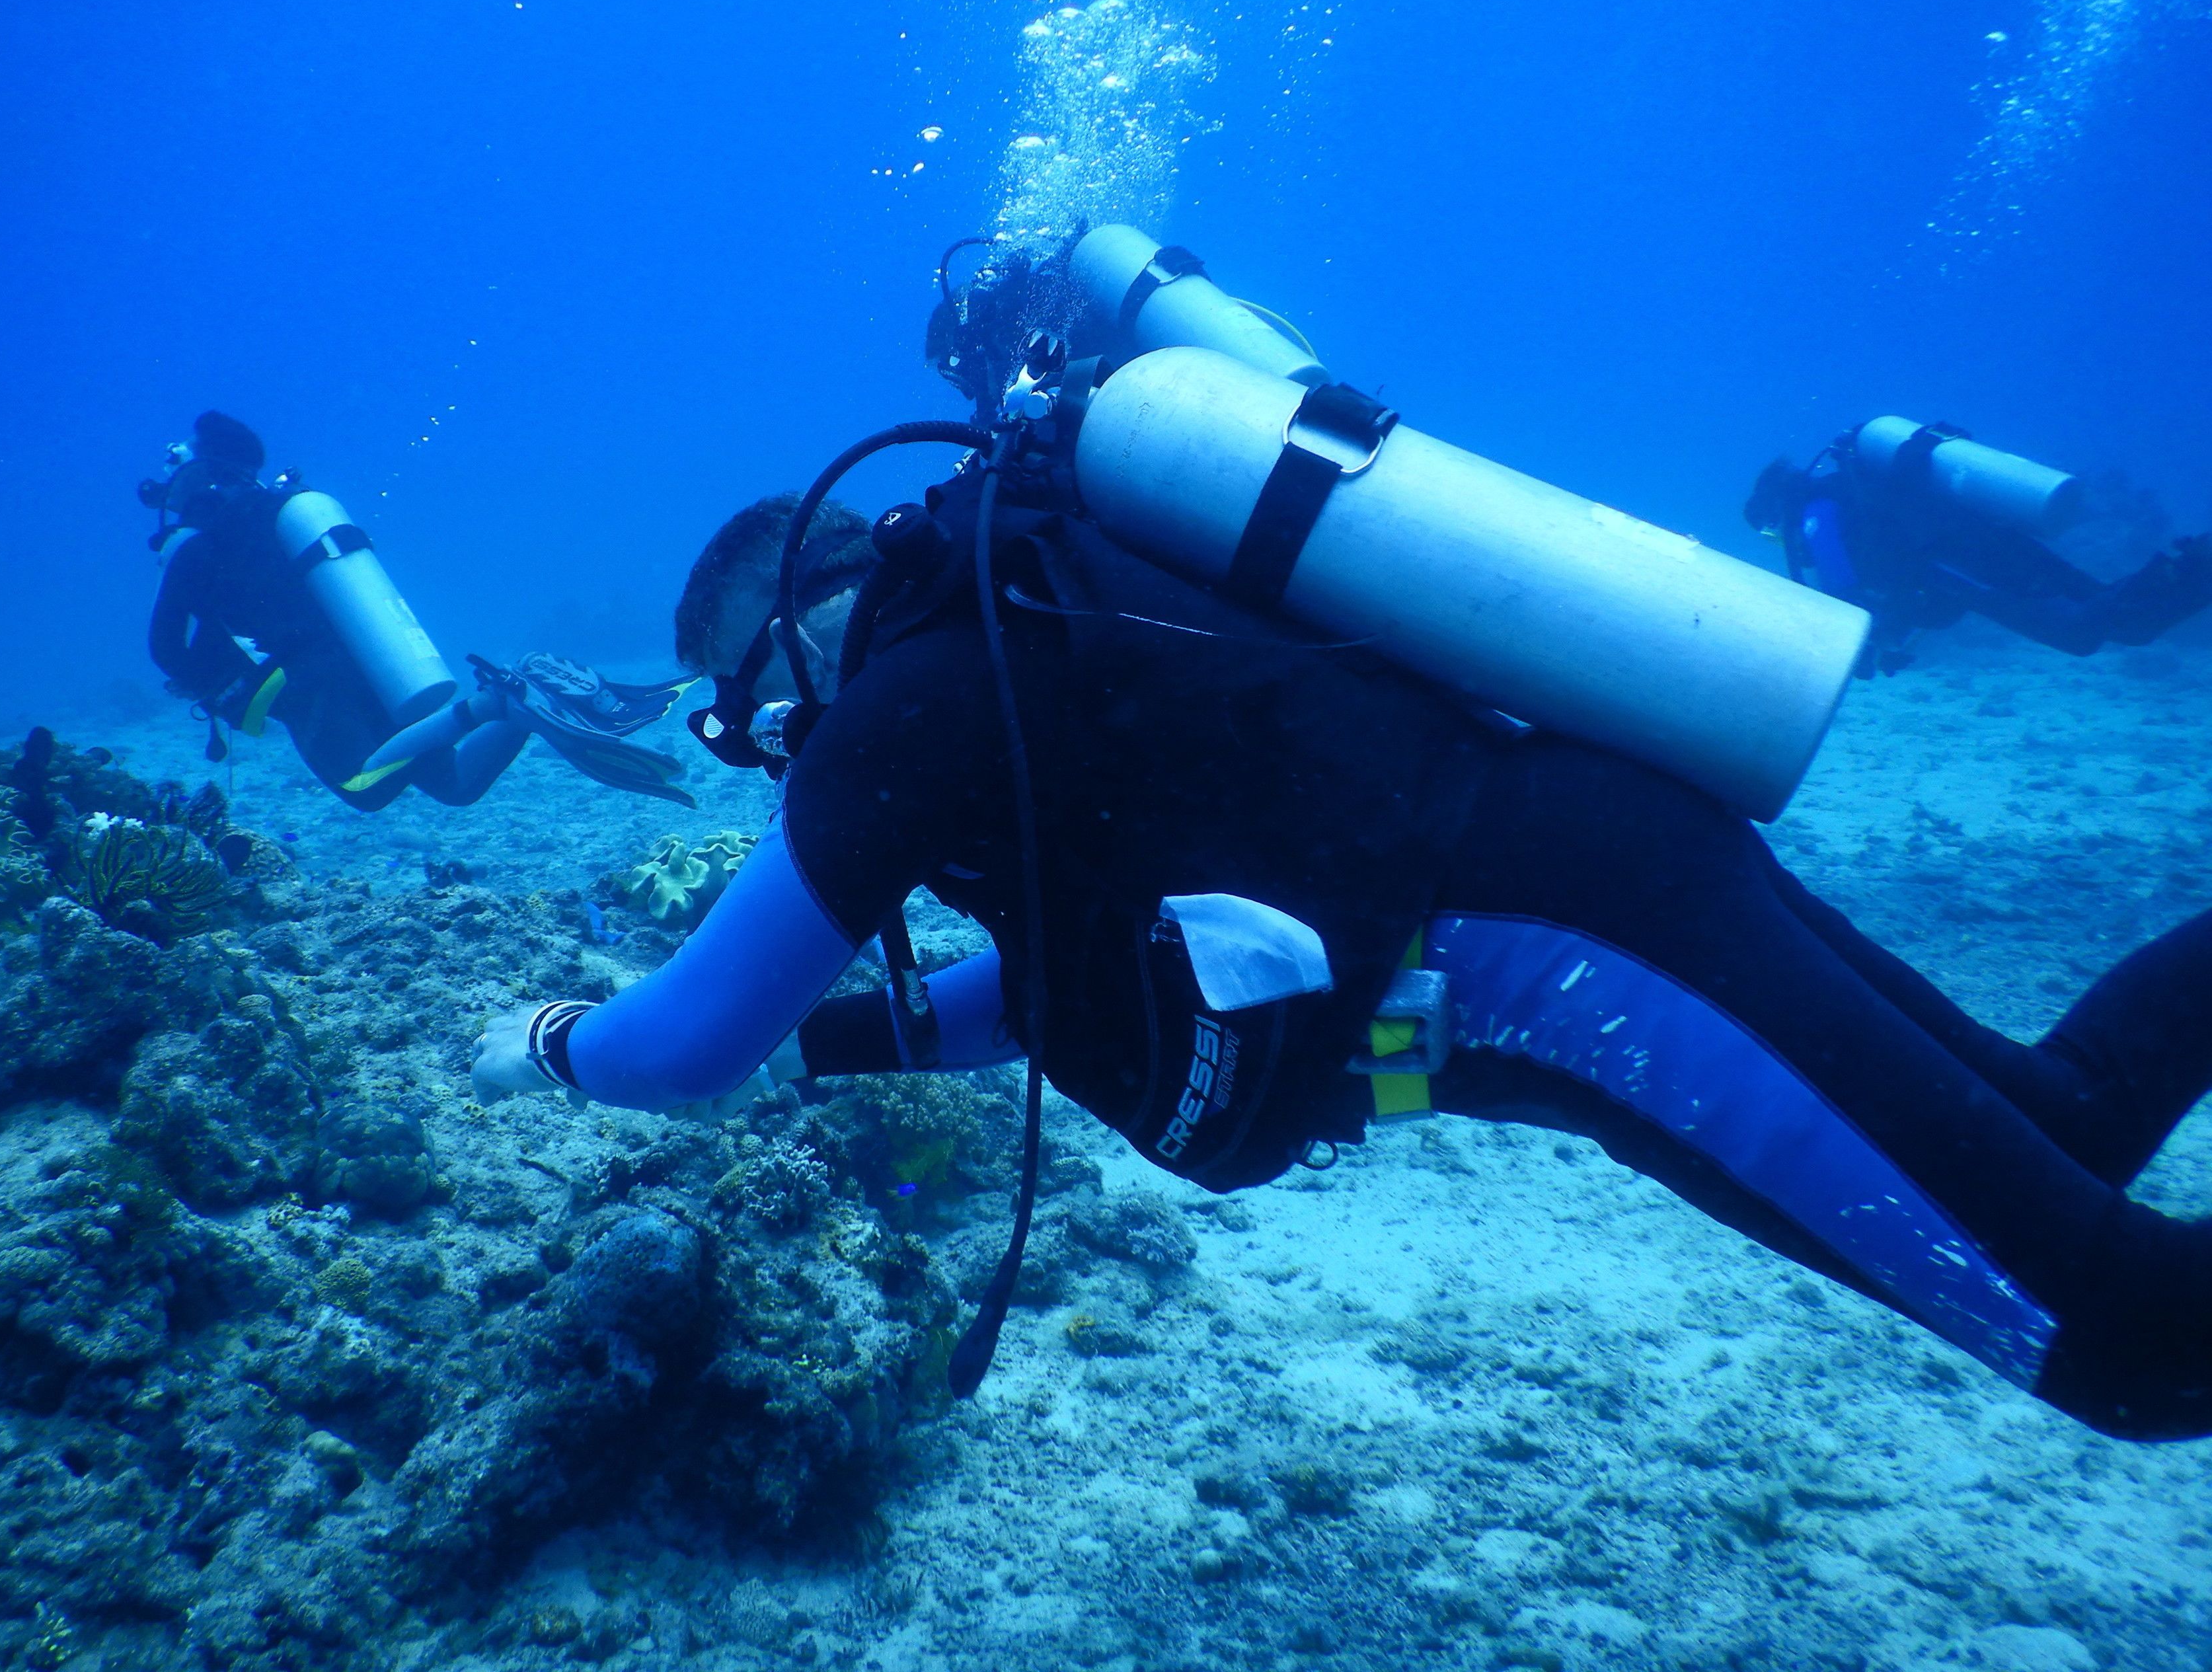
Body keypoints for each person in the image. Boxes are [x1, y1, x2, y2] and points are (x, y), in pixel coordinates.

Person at [472, 426, 2212, 1442]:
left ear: (787, 632)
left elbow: (675, 1049)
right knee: (2063, 1118)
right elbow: (1068, 985)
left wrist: (537, 1043)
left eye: (755, 709)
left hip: (1577, 958)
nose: (778, 749)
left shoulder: (906, 711)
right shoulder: (1026, 626)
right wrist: (834, 1035)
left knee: (2123, 1346)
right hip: (1600, 880)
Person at [141, 411, 691, 812]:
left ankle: (489, 705)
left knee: (366, 787)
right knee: (454, 784)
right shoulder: (282, 515)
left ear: (200, 474)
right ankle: (521, 695)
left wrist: (209, 686)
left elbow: (165, 646)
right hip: (370, 656)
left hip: (310, 683)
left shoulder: (197, 545)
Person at [1745, 430, 2212, 674]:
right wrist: (1896, 631)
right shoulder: (1850, 494)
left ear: (1779, 507)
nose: (1785, 543)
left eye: (1774, 533)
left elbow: (1847, 595)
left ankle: (2188, 565)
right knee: (2122, 620)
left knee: (2080, 630)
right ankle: (2194, 565)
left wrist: (1863, 643)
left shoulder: (1816, 512)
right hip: (1988, 536)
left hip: (1957, 562)